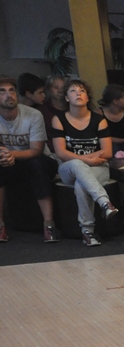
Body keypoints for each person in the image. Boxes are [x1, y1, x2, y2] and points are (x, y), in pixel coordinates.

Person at [50, 79, 118, 247]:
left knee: (81, 185)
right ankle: (104, 202)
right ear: (67, 98)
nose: (78, 94)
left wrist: (87, 160)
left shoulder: (99, 120)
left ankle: (87, 232)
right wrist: (88, 159)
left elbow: (107, 152)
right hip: (69, 168)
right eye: (73, 91)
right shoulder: (59, 119)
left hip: (98, 167)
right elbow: (61, 153)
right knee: (76, 165)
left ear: (88, 97)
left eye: (82, 91)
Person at [0, 75, 59, 243]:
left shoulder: (33, 114)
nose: (9, 95)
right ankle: (1, 226)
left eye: (12, 90)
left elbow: (36, 150)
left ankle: (49, 225)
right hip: (8, 162)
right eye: (2, 91)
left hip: (39, 160)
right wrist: (4, 155)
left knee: (36, 165)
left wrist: (12, 154)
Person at [98, 83, 124, 153]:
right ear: (115, 101)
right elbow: (103, 137)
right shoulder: (99, 113)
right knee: (113, 148)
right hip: (108, 143)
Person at [39, 75, 65, 151]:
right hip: (51, 151)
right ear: (49, 89)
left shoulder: (73, 108)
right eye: (56, 87)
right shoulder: (42, 111)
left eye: (63, 88)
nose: (60, 91)